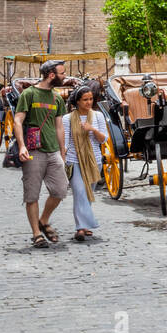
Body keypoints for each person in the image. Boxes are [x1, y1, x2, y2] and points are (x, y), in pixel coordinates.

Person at [13, 60, 69, 248]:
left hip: (53, 151)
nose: (64, 76)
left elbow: (59, 126)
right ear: (51, 75)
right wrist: (22, 146)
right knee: (32, 194)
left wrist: (62, 152)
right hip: (33, 151)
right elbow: (18, 121)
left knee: (60, 190)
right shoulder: (29, 94)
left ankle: (43, 220)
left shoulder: (57, 98)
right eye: (62, 73)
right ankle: (36, 233)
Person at [64, 85, 107, 241]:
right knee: (79, 192)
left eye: (91, 99)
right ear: (77, 101)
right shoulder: (67, 119)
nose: (89, 102)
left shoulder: (98, 117)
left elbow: (104, 139)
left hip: (94, 161)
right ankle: (80, 227)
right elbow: (65, 142)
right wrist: (62, 159)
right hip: (74, 161)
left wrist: (92, 130)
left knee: (88, 193)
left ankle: (85, 225)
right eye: (85, 100)